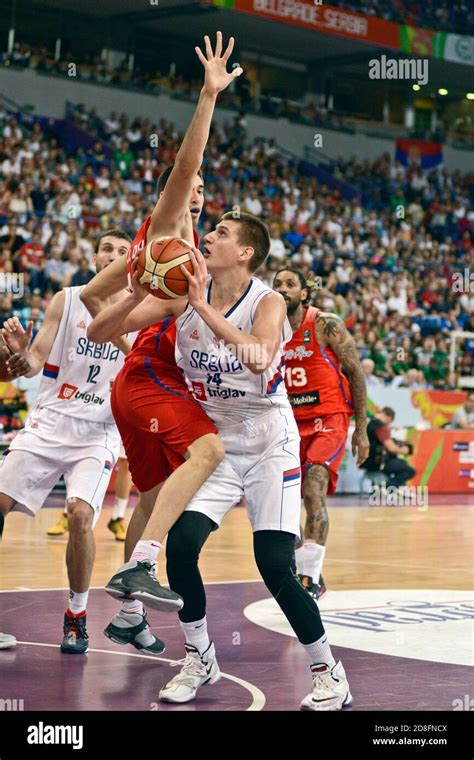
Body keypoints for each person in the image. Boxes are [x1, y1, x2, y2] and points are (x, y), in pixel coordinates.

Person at [90, 213, 353, 711]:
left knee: (275, 565)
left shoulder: (267, 301)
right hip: (218, 442)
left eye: (221, 234)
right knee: (182, 548)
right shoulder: (177, 294)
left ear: (247, 252)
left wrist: (201, 309)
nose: (207, 236)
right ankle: (200, 656)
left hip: (270, 444)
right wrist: (135, 288)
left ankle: (328, 672)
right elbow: (103, 331)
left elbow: (258, 355)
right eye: (209, 231)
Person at [81, 33, 241, 648]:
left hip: (140, 377)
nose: (196, 190)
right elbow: (185, 162)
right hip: (151, 379)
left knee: (148, 497)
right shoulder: (167, 230)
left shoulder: (170, 267)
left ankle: (127, 613)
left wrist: (139, 301)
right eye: (192, 186)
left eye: (203, 190)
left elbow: (96, 320)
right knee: (208, 455)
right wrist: (207, 94)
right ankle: (146, 566)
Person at [0, 229, 146, 655]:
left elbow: (139, 362)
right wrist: (19, 353)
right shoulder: (66, 299)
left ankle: (76, 616)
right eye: (107, 249)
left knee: (80, 514)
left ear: (131, 261)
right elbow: (30, 365)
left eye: (123, 251)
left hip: (98, 430)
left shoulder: (143, 310)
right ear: (95, 255)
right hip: (50, 421)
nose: (113, 256)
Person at [273, 267, 369, 599]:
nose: (282, 289)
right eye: (277, 284)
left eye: (290, 284)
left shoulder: (325, 323)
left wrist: (362, 428)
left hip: (329, 418)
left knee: (314, 487)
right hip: (287, 423)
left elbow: (355, 371)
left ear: (303, 293)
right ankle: (307, 567)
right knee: (282, 505)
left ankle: (309, 577)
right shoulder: (268, 329)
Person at [46, 446, 133, 541]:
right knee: (83, 458)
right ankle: (68, 513)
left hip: (123, 432)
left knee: (126, 461)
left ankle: (118, 517)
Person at [365, 407, 416, 488]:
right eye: (390, 421)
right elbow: (391, 448)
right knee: (409, 470)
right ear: (388, 417)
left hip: (369, 461)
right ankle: (387, 487)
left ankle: (387, 487)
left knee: (401, 463)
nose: (389, 424)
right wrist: (403, 450)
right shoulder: (379, 426)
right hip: (378, 463)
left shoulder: (369, 423)